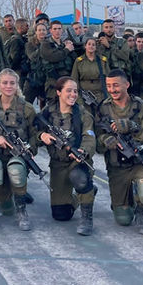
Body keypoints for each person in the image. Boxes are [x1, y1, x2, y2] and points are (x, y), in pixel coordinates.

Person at [95, 70, 143, 234]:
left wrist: (133, 127)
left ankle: (142, 212)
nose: (112, 89)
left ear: (127, 84)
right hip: (117, 165)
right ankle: (127, 201)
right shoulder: (102, 108)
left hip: (139, 162)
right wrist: (105, 140)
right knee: (123, 219)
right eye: (109, 86)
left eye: (116, 85)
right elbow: (97, 139)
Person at [0, 69, 39, 231]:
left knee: (17, 170)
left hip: (17, 159)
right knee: (6, 209)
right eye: (5, 83)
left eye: (12, 83)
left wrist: (30, 150)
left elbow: (35, 136)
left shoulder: (27, 108)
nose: (8, 86)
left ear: (17, 85)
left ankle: (22, 211)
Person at [38, 77, 96, 235]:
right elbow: (35, 128)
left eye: (75, 91)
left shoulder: (82, 113)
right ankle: (85, 194)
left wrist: (83, 150)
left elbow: (89, 137)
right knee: (61, 214)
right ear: (58, 92)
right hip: (58, 164)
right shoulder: (48, 112)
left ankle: (87, 217)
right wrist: (41, 135)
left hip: (77, 162)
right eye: (68, 90)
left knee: (80, 178)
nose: (73, 94)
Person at [40, 21, 76, 100]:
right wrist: (67, 50)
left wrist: (70, 46)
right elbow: (54, 57)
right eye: (55, 29)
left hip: (66, 80)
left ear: (62, 30)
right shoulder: (46, 44)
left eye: (59, 29)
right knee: (53, 104)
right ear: (50, 30)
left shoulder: (64, 44)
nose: (57, 31)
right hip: (53, 82)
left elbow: (73, 59)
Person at [71, 37, 108, 101]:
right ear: (85, 46)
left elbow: (108, 78)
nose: (91, 46)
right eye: (89, 44)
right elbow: (74, 79)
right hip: (84, 95)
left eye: (93, 45)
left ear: (96, 47)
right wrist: (78, 97)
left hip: (100, 94)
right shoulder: (79, 61)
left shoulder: (102, 60)